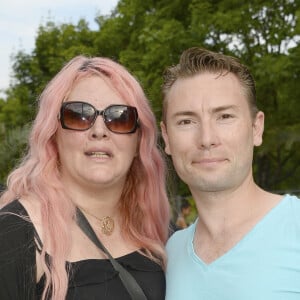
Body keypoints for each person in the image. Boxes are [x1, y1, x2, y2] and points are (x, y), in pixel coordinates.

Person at [0, 55, 170, 300]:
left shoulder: (161, 231)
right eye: (78, 115)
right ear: (53, 134)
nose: (99, 131)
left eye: (120, 118)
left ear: (139, 140)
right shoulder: (15, 235)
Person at [160, 47, 300, 299]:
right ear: (166, 138)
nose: (206, 139)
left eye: (224, 116)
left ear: (256, 128)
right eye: (186, 121)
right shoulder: (170, 254)